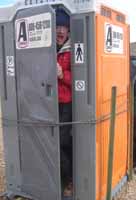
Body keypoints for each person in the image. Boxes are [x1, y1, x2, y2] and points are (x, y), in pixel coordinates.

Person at [56, 8, 72, 196]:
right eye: (58, 27)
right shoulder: (46, 47)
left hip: (66, 104)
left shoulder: (73, 49)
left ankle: (68, 180)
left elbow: (80, 80)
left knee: (62, 142)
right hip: (47, 103)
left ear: (68, 31)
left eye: (64, 27)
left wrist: (62, 74)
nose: (60, 31)